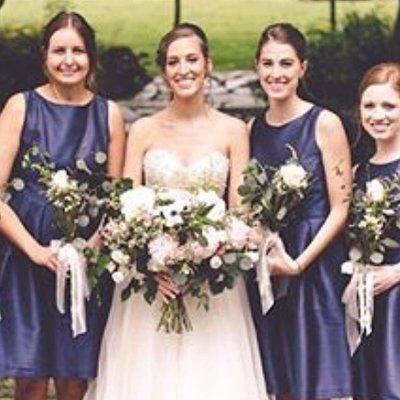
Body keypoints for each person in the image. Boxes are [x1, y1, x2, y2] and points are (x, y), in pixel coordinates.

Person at [84, 23, 268, 400]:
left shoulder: (234, 131)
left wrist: (209, 257)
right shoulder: (144, 130)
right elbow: (126, 209)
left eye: (192, 59)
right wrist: (152, 265)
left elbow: (240, 214)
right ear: (164, 71)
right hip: (153, 283)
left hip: (213, 287)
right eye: (173, 62)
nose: (183, 69)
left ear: (208, 64)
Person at [0, 12, 125, 400]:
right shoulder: (21, 107)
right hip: (26, 255)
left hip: (85, 262)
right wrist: (35, 251)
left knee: (74, 378)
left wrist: (93, 247)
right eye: (59, 51)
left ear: (91, 57)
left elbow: (115, 200)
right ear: (45, 56)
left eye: (78, 50)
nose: (68, 60)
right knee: (31, 378)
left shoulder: (109, 114)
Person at [246, 23, 353, 399]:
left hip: (314, 259)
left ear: (302, 68)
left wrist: (300, 263)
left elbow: (341, 207)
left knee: (320, 378)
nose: (277, 73)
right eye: (268, 64)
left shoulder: (324, 124)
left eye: (286, 63)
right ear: (257, 67)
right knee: (282, 379)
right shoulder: (252, 129)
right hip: (271, 264)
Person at [351, 62, 400, 400]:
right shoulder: (358, 173)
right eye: (369, 106)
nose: (378, 115)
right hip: (367, 302)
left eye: (389, 106)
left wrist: (396, 273)